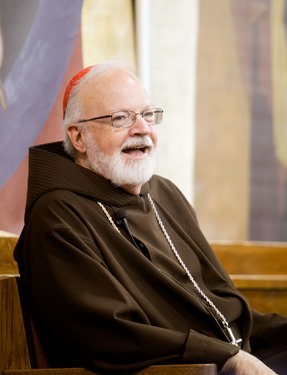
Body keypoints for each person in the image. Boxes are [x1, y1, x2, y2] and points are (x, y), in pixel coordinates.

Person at [15, 61, 287, 375]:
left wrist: (241, 350)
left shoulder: (163, 194)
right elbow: (110, 336)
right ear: (78, 137)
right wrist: (228, 357)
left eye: (147, 115)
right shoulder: (58, 215)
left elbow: (219, 312)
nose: (142, 129)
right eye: (120, 118)